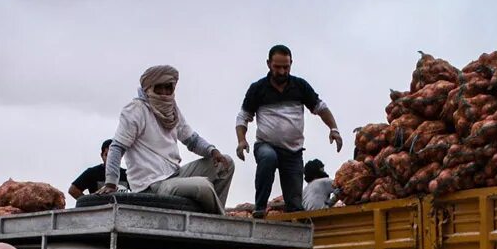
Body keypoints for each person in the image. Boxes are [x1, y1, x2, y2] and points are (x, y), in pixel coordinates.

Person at [96, 65, 234, 214]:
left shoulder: (172, 109)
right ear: (149, 89)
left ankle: (209, 214)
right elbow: (117, 147)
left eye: (168, 88)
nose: (164, 93)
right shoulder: (136, 109)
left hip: (175, 175)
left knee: (226, 164)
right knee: (203, 186)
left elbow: (192, 140)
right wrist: (111, 182)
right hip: (152, 185)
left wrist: (212, 151)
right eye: (159, 88)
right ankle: (219, 219)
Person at [235, 45, 343, 217]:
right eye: (277, 67)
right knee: (268, 158)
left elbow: (320, 107)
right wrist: (242, 140)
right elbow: (243, 117)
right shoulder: (258, 89)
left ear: (291, 64)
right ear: (269, 64)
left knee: (294, 202)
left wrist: (334, 129)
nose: (282, 71)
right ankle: (260, 207)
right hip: (266, 144)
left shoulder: (300, 86)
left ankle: (295, 221)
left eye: (286, 67)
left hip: (293, 151)